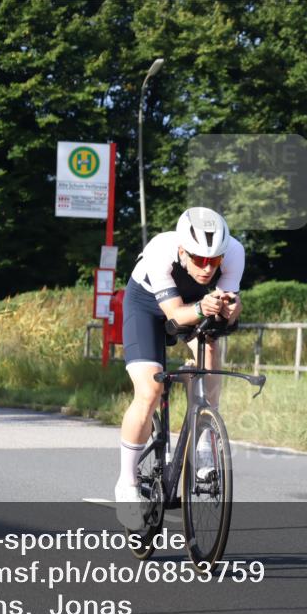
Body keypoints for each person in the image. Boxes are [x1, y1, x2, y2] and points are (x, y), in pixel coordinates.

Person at [115, 207, 244, 530]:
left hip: (195, 305)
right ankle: (126, 483)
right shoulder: (161, 251)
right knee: (150, 390)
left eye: (213, 261)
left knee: (210, 347)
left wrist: (231, 309)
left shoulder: (234, 253)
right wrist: (202, 307)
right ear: (183, 251)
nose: (206, 267)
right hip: (146, 305)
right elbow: (174, 317)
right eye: (199, 259)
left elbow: (227, 312)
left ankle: (203, 440)